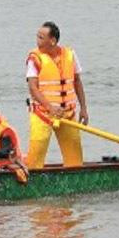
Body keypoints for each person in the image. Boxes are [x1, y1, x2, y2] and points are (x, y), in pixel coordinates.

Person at [26, 21, 87, 168]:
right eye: (37, 36)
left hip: (67, 114)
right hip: (42, 113)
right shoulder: (35, 58)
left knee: (74, 153)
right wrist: (50, 107)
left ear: (52, 41)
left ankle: (75, 181)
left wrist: (84, 109)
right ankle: (31, 180)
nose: (37, 40)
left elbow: (77, 81)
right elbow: (33, 88)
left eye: (41, 37)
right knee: (37, 150)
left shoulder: (70, 54)